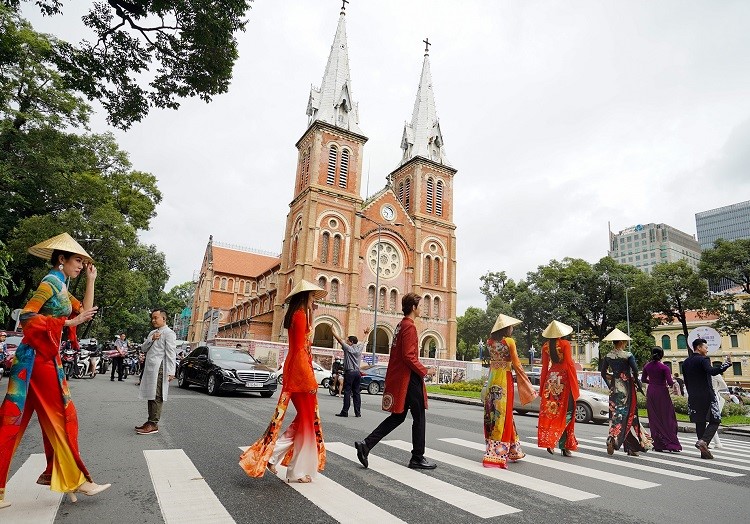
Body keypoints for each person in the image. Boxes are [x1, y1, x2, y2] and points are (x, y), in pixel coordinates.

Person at [0, 233, 110, 510]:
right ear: (61, 259)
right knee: (63, 417)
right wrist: (69, 322)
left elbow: (85, 310)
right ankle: (75, 479)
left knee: (14, 421)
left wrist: (91, 281)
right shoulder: (50, 283)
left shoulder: (62, 287)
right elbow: (26, 316)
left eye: (83, 262)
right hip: (36, 359)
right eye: (77, 261)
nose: (81, 266)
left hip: (43, 358)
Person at [240, 280, 327, 483]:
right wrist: (309, 380)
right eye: (312, 296)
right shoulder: (299, 317)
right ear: (305, 297)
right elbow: (299, 351)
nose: (314, 300)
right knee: (306, 421)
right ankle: (293, 470)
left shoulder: (301, 315)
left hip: (298, 370)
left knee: (304, 420)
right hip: (300, 373)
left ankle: (274, 456)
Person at [354, 293, 436, 470]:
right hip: (410, 378)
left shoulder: (400, 326)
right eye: (419, 305)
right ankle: (417, 457)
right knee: (419, 418)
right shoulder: (410, 327)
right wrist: (425, 370)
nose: (421, 308)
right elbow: (408, 356)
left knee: (397, 417)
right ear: (413, 308)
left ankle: (366, 445)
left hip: (402, 378)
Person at [480, 314, 535, 468]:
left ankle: (513, 450)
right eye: (511, 327)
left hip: (492, 379)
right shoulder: (509, 342)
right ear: (506, 328)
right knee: (503, 415)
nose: (512, 329)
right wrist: (527, 384)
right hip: (505, 380)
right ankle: (496, 454)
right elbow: (517, 364)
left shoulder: (489, 342)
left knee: (493, 414)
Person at [600, 328, 649, 457]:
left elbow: (603, 373)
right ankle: (620, 443)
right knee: (631, 415)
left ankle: (623, 443)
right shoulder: (628, 355)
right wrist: (638, 386)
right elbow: (635, 371)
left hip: (614, 389)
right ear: (622, 342)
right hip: (627, 388)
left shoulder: (608, 356)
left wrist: (610, 383)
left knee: (616, 416)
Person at [682, 338, 731, 459]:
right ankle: (704, 441)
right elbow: (712, 371)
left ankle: (703, 452)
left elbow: (686, 381)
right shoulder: (704, 359)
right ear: (698, 347)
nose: (707, 349)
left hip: (693, 396)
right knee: (715, 420)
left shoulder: (686, 362)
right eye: (705, 347)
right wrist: (726, 364)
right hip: (707, 395)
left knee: (700, 422)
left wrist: (691, 394)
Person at [537, 320, 579, 457]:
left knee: (553, 412)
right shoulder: (565, 344)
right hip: (564, 380)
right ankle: (555, 440)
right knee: (569, 412)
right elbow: (570, 364)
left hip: (550, 380)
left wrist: (542, 387)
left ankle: (563, 445)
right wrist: (574, 384)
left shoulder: (545, 347)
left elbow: (544, 368)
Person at [135, 309, 177, 435]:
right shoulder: (153, 333)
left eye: (156, 318)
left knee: (157, 395)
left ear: (164, 319)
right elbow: (143, 348)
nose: (153, 320)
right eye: (152, 318)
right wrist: (151, 339)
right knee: (150, 395)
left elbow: (171, 353)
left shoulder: (169, 333)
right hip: (150, 368)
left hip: (160, 368)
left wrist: (171, 371)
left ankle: (153, 424)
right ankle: (149, 421)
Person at [641, 347, 682, 452]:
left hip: (651, 392)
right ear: (662, 355)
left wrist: (653, 382)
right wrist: (672, 381)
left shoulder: (647, 366)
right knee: (667, 417)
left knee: (654, 418)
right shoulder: (664, 368)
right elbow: (669, 382)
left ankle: (658, 443)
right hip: (662, 392)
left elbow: (643, 379)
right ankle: (671, 443)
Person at [332, 326, 370, 417]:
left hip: (349, 372)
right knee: (356, 392)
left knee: (347, 392)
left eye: (348, 341)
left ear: (351, 342)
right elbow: (364, 341)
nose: (346, 342)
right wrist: (366, 334)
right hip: (357, 373)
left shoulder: (348, 348)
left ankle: (345, 411)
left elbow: (340, 340)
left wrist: (333, 332)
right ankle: (358, 412)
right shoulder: (359, 347)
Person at [710, 373, 728, 449]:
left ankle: (716, 442)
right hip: (714, 396)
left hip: (712, 397)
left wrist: (716, 389)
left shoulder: (703, 373)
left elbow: (724, 385)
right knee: (713, 421)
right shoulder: (715, 373)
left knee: (711, 421)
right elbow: (724, 385)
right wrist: (716, 389)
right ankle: (716, 442)